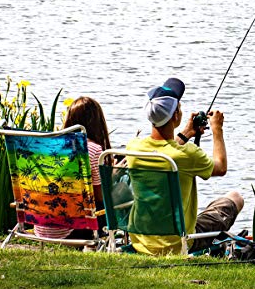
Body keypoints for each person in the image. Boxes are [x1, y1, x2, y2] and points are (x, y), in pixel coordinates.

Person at [126, 77, 244, 255]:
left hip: (141, 240)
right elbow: (220, 167)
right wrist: (217, 129)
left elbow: (166, 151)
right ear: (175, 116)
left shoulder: (134, 148)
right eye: (179, 106)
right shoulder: (187, 154)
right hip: (177, 243)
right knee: (235, 197)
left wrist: (186, 133)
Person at [34, 96, 111, 240]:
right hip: (72, 230)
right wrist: (113, 176)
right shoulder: (93, 150)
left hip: (42, 226)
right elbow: (100, 196)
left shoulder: (51, 147)